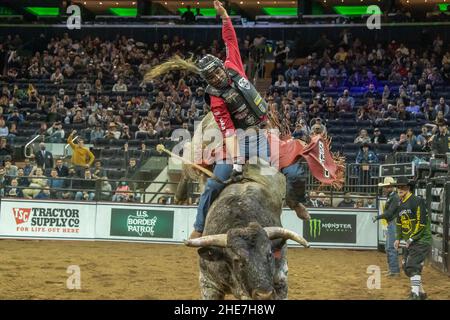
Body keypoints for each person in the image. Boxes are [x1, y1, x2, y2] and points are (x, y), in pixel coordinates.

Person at [392, 177, 432, 300]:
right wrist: (398, 238)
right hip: (410, 239)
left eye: (403, 187)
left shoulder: (417, 201)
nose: (400, 189)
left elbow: (421, 223)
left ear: (408, 188)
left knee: (412, 265)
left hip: (421, 240)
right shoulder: (400, 203)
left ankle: (414, 294)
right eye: (398, 187)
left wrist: (411, 239)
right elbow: (399, 223)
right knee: (406, 267)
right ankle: (421, 293)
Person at [372, 177, 401, 277]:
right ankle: (392, 269)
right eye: (385, 187)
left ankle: (394, 271)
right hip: (392, 223)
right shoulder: (392, 197)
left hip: (393, 223)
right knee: (388, 247)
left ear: (391, 187)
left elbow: (389, 213)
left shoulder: (394, 197)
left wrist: (378, 217)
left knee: (390, 247)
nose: (384, 189)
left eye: (386, 187)